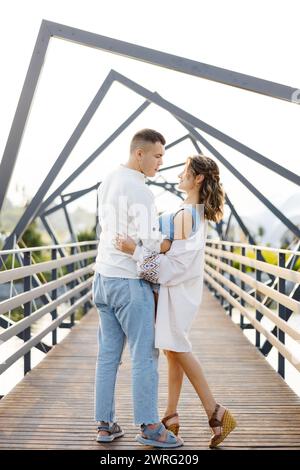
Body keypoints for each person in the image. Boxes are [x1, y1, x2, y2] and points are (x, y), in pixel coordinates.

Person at [115, 154, 237, 448]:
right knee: (173, 349)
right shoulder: (190, 211)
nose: (179, 175)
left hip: (177, 291)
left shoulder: (187, 214)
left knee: (177, 347)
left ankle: (216, 412)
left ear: (198, 179)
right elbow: (171, 254)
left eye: (185, 172)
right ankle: (171, 415)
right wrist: (161, 247)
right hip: (181, 290)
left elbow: (175, 266)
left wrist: (135, 251)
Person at [92, 128, 183, 448]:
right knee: (145, 355)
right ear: (139, 154)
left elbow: (108, 228)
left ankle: (104, 425)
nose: (161, 162)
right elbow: (150, 241)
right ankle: (149, 426)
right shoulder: (141, 191)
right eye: (157, 156)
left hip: (102, 279)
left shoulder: (108, 180)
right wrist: (172, 243)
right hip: (129, 283)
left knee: (107, 356)